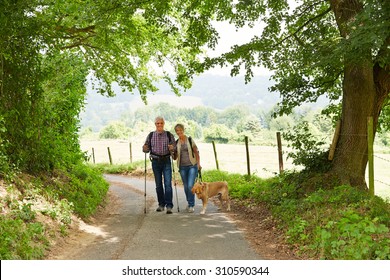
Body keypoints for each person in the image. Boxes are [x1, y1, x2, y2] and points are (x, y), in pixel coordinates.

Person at [142, 117, 176, 214]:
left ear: (164, 124)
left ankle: (169, 205)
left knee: (168, 184)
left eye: (161, 123)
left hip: (166, 161)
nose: (159, 125)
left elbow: (175, 149)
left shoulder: (169, 135)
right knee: (158, 185)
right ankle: (161, 204)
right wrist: (144, 148)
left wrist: (172, 148)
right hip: (155, 161)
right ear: (155, 124)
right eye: (157, 123)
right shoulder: (151, 135)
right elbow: (146, 149)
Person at [172, 123, 201, 213]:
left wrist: (198, 164)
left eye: (180, 130)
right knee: (185, 187)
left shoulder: (190, 139)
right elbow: (174, 158)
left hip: (192, 166)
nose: (179, 132)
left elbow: (196, 152)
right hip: (182, 167)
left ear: (183, 130)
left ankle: (191, 205)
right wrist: (172, 151)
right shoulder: (176, 142)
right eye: (177, 131)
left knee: (190, 185)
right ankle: (189, 203)